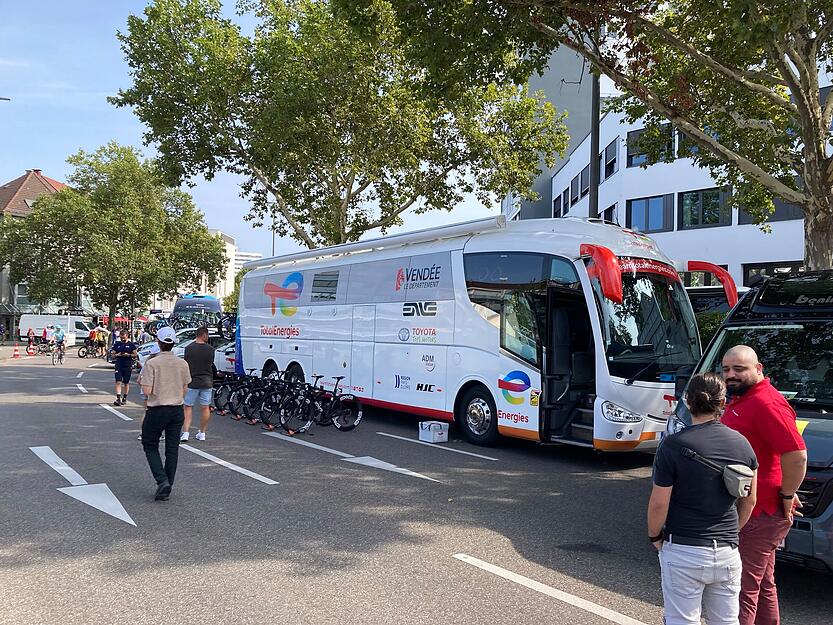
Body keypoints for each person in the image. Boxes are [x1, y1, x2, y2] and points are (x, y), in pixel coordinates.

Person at [649, 373, 759, 625]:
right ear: (723, 403)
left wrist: (655, 536)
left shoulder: (673, 445)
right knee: (727, 621)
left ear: (687, 401)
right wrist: (732, 532)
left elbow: (659, 502)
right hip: (727, 551)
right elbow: (750, 500)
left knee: (682, 620)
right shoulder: (742, 444)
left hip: (685, 549)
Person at [720, 345, 807, 625]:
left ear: (758, 369)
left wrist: (787, 494)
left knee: (741, 587)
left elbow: (796, 454)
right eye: (726, 369)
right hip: (753, 506)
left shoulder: (766, 403)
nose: (730, 375)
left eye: (739, 369)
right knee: (763, 583)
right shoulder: (743, 397)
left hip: (759, 511)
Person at [139, 326, 191, 501]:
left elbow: (147, 391)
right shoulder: (182, 364)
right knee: (172, 448)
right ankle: (168, 483)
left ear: (158, 342)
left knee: (149, 443)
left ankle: (162, 480)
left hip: (157, 409)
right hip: (177, 410)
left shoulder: (152, 363)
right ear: (174, 343)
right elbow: (185, 390)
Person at [181, 326, 215, 442]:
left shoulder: (189, 348)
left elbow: (186, 365)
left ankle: (185, 433)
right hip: (206, 381)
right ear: (204, 335)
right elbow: (210, 363)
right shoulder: (210, 349)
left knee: (188, 407)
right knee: (205, 407)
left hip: (192, 381)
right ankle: (202, 432)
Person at [111, 329, 138, 406]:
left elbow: (135, 354)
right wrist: (117, 355)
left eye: (124, 337)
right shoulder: (117, 344)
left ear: (127, 336)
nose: (122, 339)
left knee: (126, 382)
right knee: (118, 381)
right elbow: (112, 354)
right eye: (121, 337)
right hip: (119, 365)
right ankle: (118, 398)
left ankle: (125, 398)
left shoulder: (131, 345)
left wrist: (128, 355)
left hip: (127, 365)